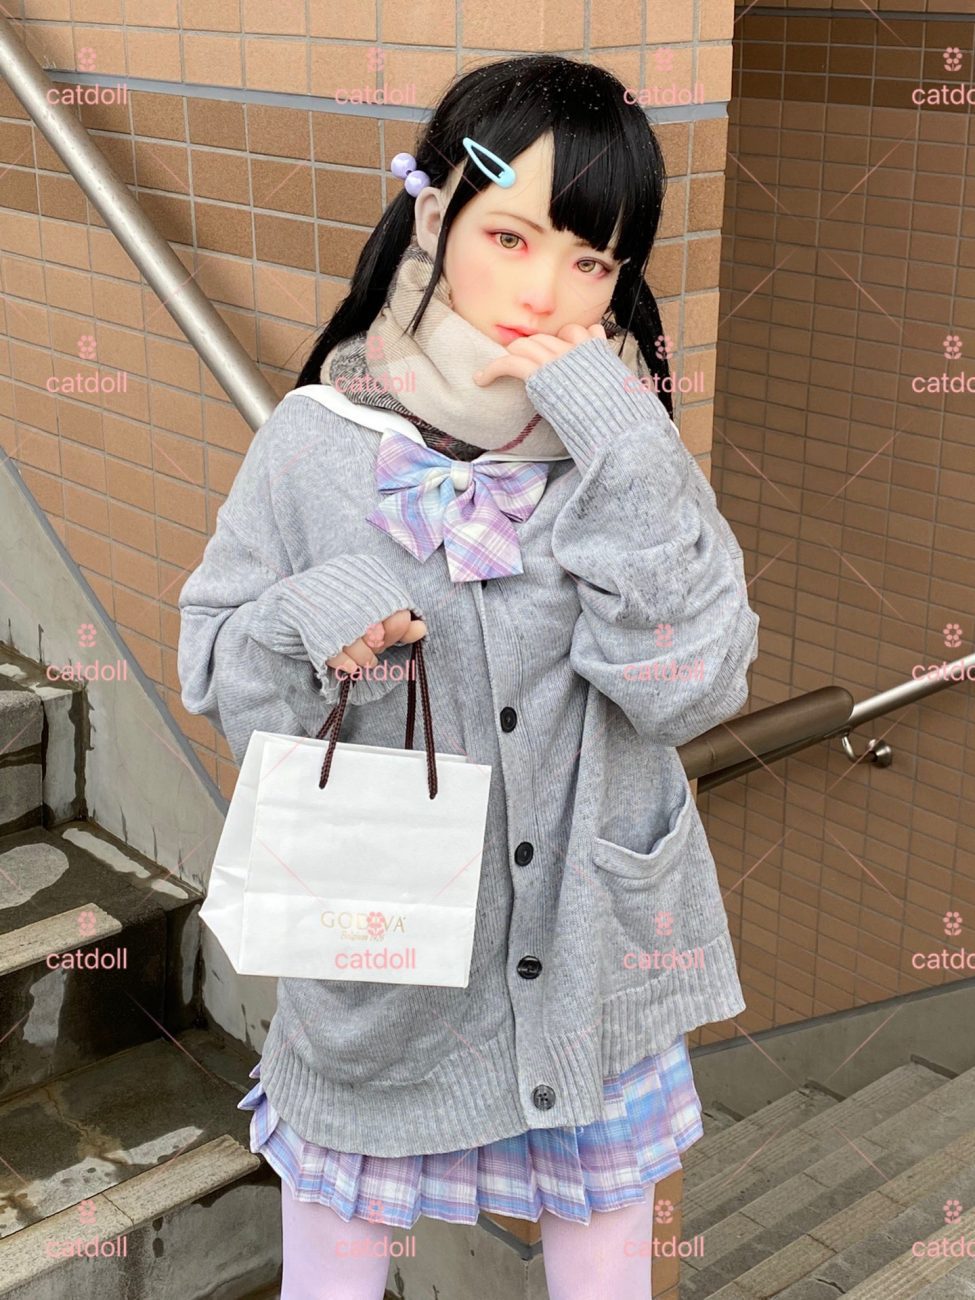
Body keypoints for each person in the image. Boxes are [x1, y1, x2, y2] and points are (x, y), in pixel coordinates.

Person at [178, 52, 760, 1300]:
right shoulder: (315, 443)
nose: (545, 291)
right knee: (333, 1274)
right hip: (388, 976)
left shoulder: (625, 451)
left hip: (593, 965)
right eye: (510, 237)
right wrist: (305, 619)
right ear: (435, 216)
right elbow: (218, 667)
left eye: (593, 262)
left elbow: (696, 684)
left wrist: (618, 431)